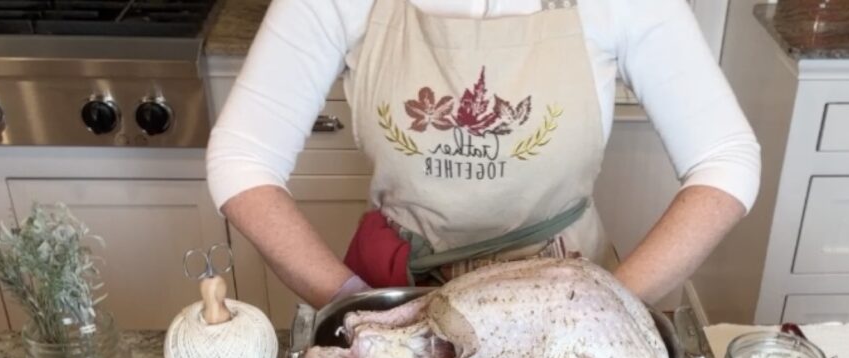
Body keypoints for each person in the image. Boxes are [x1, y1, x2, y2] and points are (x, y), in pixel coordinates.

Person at [207, 0, 760, 309]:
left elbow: (726, 158)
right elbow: (241, 159)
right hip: (401, 301)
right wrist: (353, 306)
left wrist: (607, 311)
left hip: (564, 299)